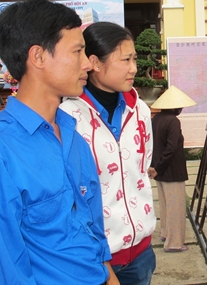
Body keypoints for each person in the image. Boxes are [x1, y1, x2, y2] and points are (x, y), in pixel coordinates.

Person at [0, 0, 116, 284]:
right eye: (78, 51)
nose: (88, 65)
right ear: (38, 57)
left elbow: (91, 228)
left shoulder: (72, 136)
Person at [60, 21, 157, 285]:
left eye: (135, 59)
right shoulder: (69, 117)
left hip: (141, 254)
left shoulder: (141, 112)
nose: (134, 68)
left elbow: (143, 166)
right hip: (94, 259)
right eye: (125, 60)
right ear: (95, 63)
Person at [148, 85, 196, 252]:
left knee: (165, 205)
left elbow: (153, 145)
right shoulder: (173, 121)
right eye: (180, 106)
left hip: (160, 170)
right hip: (171, 170)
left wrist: (155, 167)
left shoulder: (156, 119)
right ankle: (174, 243)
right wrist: (160, 166)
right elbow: (171, 149)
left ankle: (166, 233)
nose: (181, 109)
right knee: (175, 207)